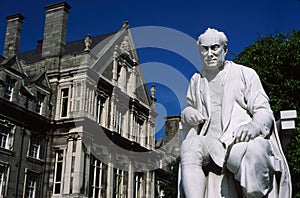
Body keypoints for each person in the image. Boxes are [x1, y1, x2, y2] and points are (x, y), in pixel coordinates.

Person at [179, 28, 291, 198]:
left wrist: (254, 125)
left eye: (214, 47)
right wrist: (187, 113)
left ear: (225, 50)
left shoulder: (245, 73)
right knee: (189, 147)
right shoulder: (196, 80)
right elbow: (190, 110)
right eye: (205, 49)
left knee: (254, 152)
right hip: (209, 140)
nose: (209, 53)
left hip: (237, 137)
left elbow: (263, 110)